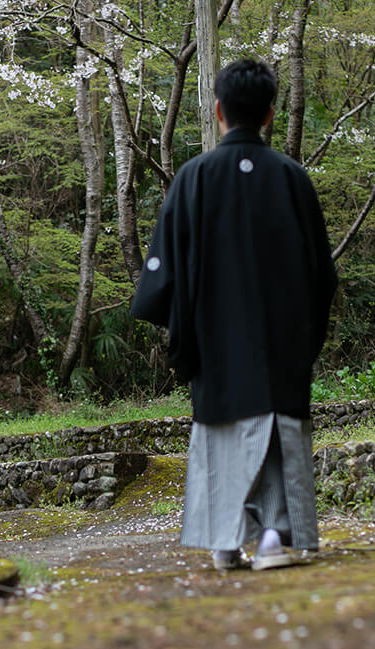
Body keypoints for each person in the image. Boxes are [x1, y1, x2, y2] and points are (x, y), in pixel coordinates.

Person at [131, 58, 337, 570]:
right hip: (282, 346)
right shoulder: (293, 179)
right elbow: (323, 277)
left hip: (216, 348)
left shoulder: (193, 178)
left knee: (221, 437)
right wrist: (305, 336)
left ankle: (225, 544)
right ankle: (272, 538)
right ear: (270, 114)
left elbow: (161, 278)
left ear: (218, 109)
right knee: (275, 433)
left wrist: (190, 331)